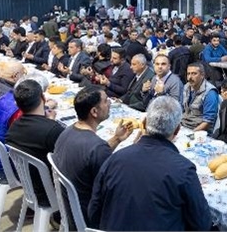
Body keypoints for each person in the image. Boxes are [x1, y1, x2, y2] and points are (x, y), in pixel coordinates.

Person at [88, 96, 212, 231]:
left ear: (145, 123)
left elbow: (93, 213)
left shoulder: (115, 159)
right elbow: (202, 224)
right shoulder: (183, 170)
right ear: (177, 130)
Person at [53, 86, 135, 226]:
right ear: (94, 111)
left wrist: (117, 138)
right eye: (105, 101)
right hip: (90, 217)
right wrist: (138, 150)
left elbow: (92, 156)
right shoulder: (97, 148)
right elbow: (115, 190)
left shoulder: (67, 132)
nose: (109, 103)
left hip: (70, 210)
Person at [6, 79, 64, 207]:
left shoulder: (13, 126)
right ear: (43, 98)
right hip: (51, 192)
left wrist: (49, 122)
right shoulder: (52, 130)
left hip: (29, 185)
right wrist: (51, 123)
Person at [181, 62, 219, 131]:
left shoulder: (210, 93)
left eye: (194, 74)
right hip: (184, 124)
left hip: (199, 130)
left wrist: (191, 133)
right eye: (188, 74)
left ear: (202, 75)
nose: (190, 77)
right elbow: (181, 109)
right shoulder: (186, 87)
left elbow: (207, 122)